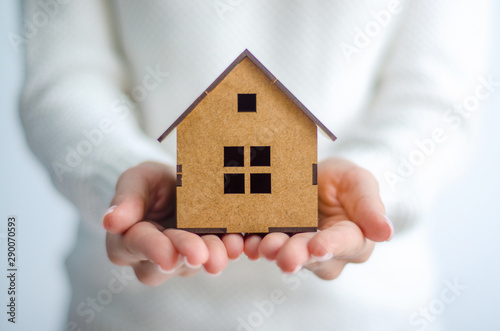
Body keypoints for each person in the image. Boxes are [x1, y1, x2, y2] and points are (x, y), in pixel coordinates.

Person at [19, 1, 491, 330]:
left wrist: (374, 179)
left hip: (369, 314)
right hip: (126, 316)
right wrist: (120, 170)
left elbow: (440, 95)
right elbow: (65, 77)